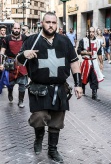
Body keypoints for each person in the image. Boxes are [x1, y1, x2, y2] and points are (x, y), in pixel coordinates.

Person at [16, 12, 83, 162]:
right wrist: (24, 54)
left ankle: (52, 150)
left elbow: (74, 63)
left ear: (56, 24)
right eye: (48, 22)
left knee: (56, 121)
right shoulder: (32, 40)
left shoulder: (65, 41)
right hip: (38, 88)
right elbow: (19, 62)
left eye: (53, 22)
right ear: (42, 23)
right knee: (38, 117)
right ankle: (39, 136)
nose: (51, 25)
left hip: (59, 88)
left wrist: (78, 84)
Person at [0, 23, 28, 108]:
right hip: (10, 64)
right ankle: (10, 92)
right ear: (12, 28)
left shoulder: (24, 38)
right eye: (15, 28)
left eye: (18, 28)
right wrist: (1, 63)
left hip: (22, 63)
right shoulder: (7, 38)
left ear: (20, 29)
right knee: (10, 84)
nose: (16, 30)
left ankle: (20, 101)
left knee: (23, 84)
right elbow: (2, 52)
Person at [77, 27, 104, 100]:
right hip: (86, 61)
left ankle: (94, 94)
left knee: (94, 77)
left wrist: (101, 63)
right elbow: (78, 51)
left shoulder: (98, 41)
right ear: (87, 32)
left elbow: (99, 53)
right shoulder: (83, 40)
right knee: (84, 77)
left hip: (94, 62)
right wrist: (86, 52)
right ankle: (83, 90)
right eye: (90, 32)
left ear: (95, 32)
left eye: (92, 32)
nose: (91, 33)